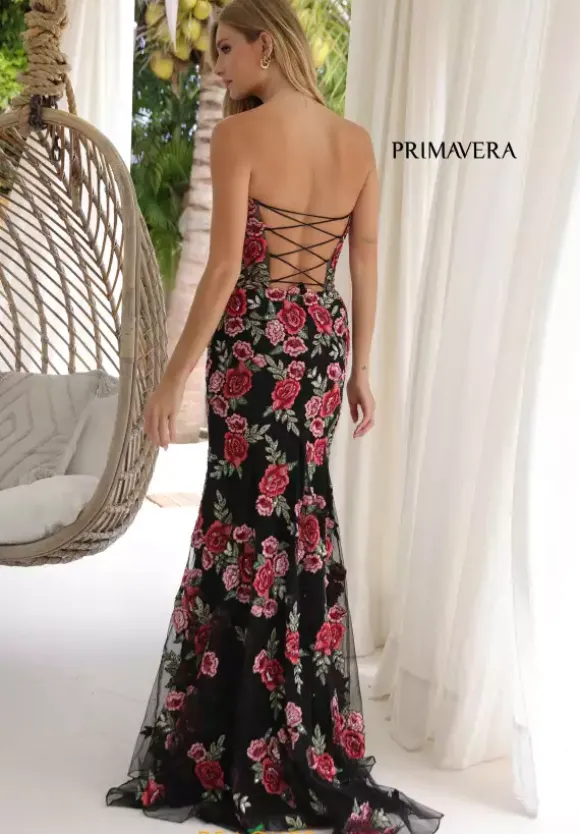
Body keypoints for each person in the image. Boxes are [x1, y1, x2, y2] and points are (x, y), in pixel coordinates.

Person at [107, 1, 443, 832]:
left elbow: (225, 267)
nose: (219, 67)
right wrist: (361, 368)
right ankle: (298, 728)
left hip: (256, 346)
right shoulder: (355, 142)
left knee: (242, 521)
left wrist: (171, 378)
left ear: (267, 43)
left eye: (226, 49)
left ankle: (236, 737)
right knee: (298, 519)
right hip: (320, 346)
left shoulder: (239, 136)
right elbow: (364, 258)